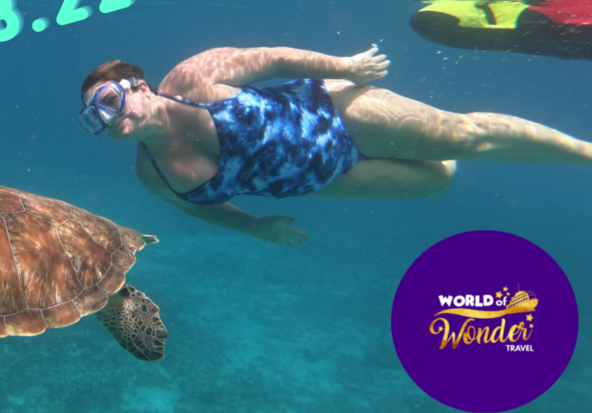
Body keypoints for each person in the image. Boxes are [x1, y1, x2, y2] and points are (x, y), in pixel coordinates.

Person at [79, 46, 592, 246]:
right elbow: (202, 212)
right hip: (325, 180)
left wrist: (346, 68)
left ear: (137, 86)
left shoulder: (192, 77)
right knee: (438, 179)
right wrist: (256, 227)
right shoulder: (152, 175)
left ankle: (583, 151)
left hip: (335, 114)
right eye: (93, 115)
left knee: (464, 137)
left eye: (105, 99)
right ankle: (422, 138)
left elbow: (274, 59)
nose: (105, 116)